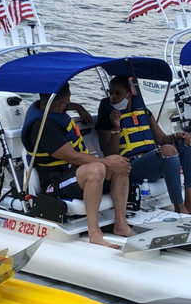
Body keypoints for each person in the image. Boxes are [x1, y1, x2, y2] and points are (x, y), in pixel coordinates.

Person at [21, 82, 133, 247]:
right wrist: (107, 161)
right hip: (55, 184)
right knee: (97, 168)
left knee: (120, 165)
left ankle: (121, 225)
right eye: (68, 99)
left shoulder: (48, 106)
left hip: (74, 175)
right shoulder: (43, 127)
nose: (68, 103)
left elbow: (60, 104)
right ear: (61, 103)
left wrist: (78, 107)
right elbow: (72, 157)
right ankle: (94, 233)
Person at [96, 75, 191, 215]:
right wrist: (116, 127)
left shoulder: (143, 110)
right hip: (130, 168)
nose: (113, 97)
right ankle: (179, 208)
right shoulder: (107, 116)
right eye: (110, 93)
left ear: (129, 94)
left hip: (153, 162)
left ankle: (190, 202)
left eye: (118, 93)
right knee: (167, 151)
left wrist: (177, 135)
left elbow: (161, 139)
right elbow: (110, 154)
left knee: (190, 144)